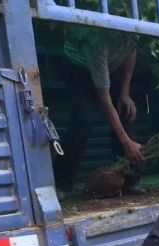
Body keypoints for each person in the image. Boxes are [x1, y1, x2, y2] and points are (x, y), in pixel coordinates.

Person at [54, 29, 144, 195]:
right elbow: (104, 99)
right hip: (80, 66)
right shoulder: (98, 42)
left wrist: (125, 93)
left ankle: (130, 181)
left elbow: (131, 52)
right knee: (83, 120)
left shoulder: (131, 30)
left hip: (111, 65)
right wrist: (126, 143)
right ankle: (62, 184)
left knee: (125, 111)